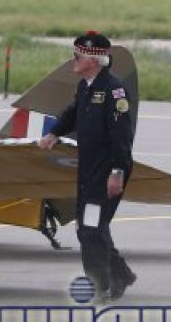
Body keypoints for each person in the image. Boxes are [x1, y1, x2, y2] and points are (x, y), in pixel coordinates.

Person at [38, 31, 137, 300]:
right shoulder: (86, 86)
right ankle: (121, 275)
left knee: (90, 229)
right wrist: (53, 133)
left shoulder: (114, 92)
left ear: (93, 60)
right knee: (93, 228)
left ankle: (100, 285)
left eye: (77, 55)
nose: (73, 59)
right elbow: (73, 112)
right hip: (89, 170)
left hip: (107, 171)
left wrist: (116, 173)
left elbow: (122, 137)